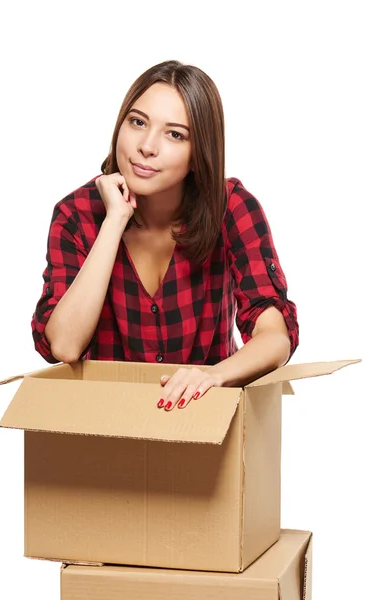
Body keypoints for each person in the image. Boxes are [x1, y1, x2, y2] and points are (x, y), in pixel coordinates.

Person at [31, 59, 299, 412]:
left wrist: (214, 376)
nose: (147, 146)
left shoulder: (231, 208)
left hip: (205, 415)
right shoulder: (76, 214)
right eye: (138, 122)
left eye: (175, 134)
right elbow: (65, 345)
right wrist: (115, 219)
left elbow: (274, 335)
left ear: (198, 153)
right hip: (106, 420)